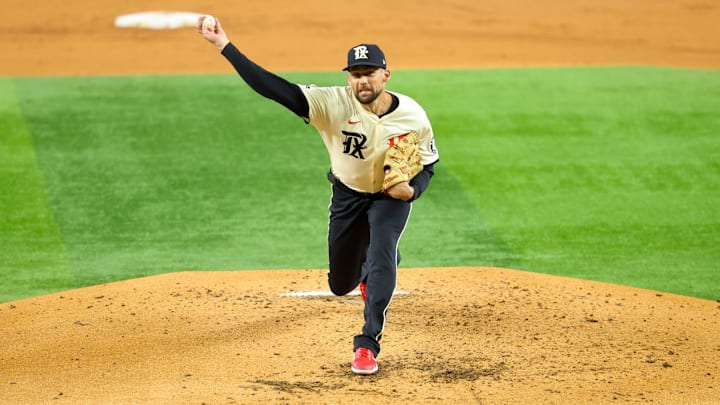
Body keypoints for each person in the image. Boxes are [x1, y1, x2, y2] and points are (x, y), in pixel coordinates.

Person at [197, 16, 439, 375]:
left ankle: (367, 343)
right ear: (348, 78)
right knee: (340, 284)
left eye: (370, 72)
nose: (363, 80)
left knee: (384, 248)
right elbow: (274, 89)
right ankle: (367, 268)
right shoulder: (331, 103)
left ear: (386, 75)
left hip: (389, 200)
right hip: (348, 196)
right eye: (356, 73)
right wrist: (225, 47)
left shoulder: (413, 115)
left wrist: (412, 190)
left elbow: (429, 163)